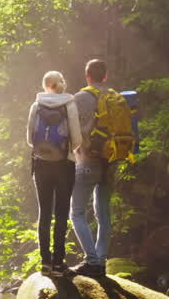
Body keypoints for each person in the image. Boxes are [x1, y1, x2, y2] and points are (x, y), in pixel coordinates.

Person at [27, 70, 83, 276]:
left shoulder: (36, 105)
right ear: (61, 84)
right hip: (64, 165)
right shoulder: (69, 105)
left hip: (41, 164)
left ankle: (45, 263)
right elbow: (76, 139)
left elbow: (30, 139)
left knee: (44, 214)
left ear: (45, 86)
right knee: (61, 214)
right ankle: (59, 263)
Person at [70, 58, 114, 277]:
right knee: (103, 213)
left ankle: (92, 260)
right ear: (105, 76)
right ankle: (101, 260)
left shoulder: (80, 98)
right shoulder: (114, 97)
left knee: (77, 213)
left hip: (87, 160)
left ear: (87, 76)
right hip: (110, 162)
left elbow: (71, 129)